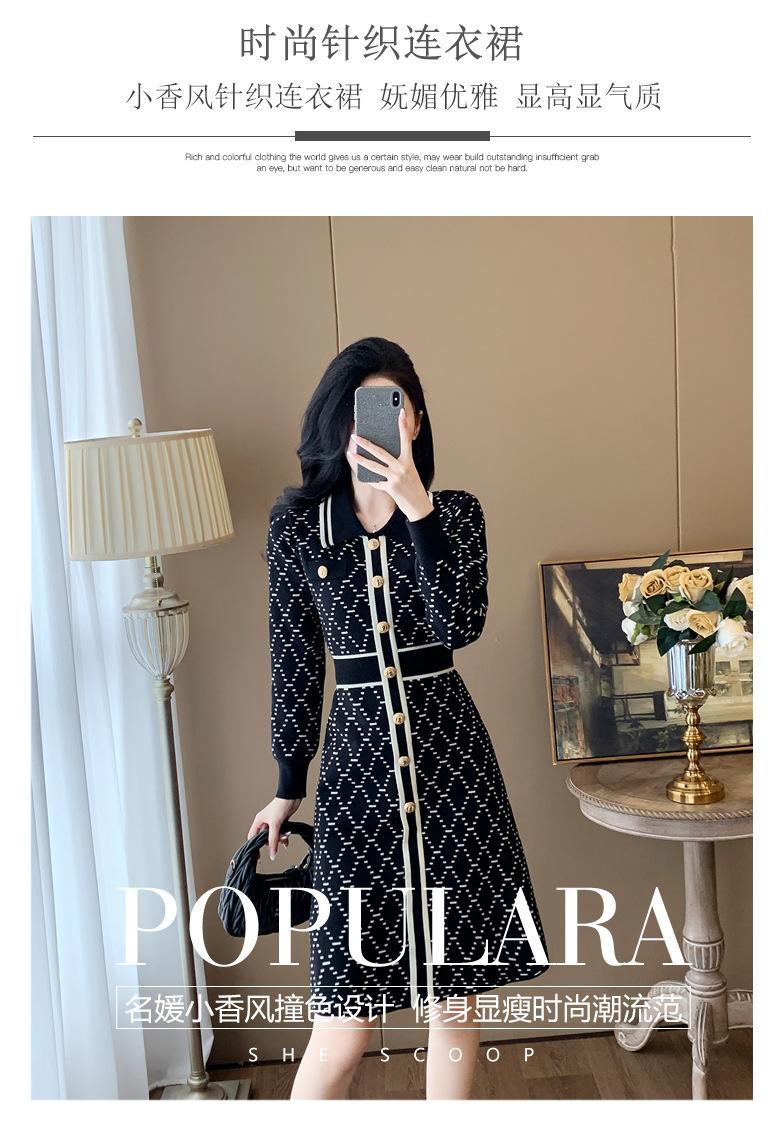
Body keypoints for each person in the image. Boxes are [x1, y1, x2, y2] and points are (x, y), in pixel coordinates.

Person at [248, 337, 548, 1099]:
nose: (382, 422)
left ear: (414, 420)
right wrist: (287, 784)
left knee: (454, 1002)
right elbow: (294, 662)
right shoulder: (298, 531)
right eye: (365, 409)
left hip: (453, 772)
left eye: (396, 406)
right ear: (337, 421)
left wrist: (418, 510)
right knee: (343, 1026)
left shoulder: (455, 515)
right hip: (356, 784)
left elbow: (459, 623)